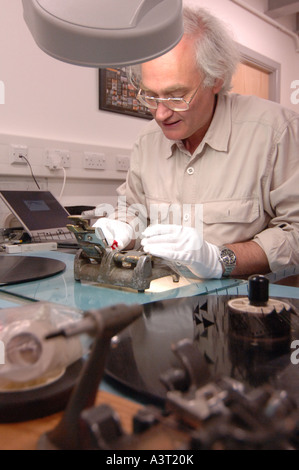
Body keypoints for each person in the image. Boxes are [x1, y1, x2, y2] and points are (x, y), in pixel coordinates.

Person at [93, 6, 299, 279]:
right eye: (150, 96)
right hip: (162, 303)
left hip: (241, 307)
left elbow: (295, 232)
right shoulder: (147, 141)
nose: (160, 113)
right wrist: (122, 228)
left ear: (216, 79)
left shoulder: (275, 131)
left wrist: (220, 259)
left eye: (177, 96)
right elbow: (132, 211)